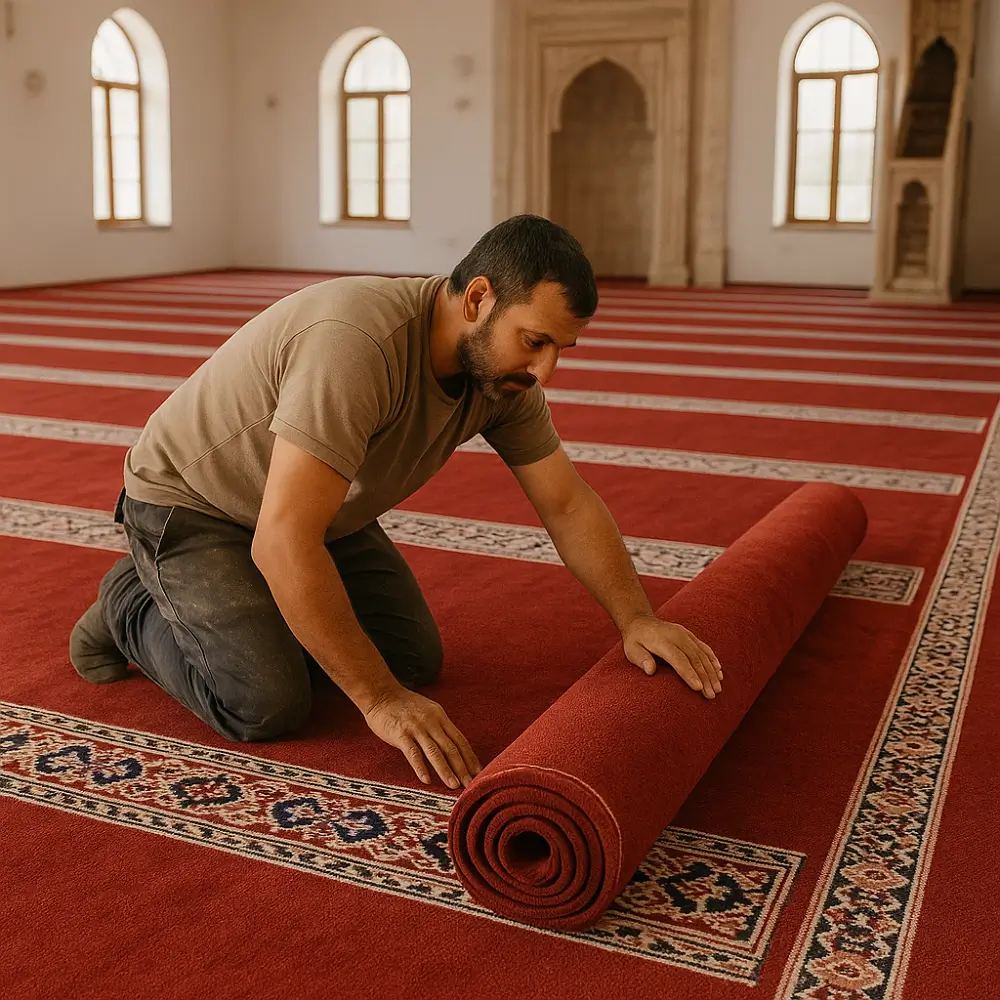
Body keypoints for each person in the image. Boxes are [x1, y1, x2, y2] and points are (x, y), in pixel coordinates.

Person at [69, 214, 723, 791]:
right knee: (265, 703)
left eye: (561, 349)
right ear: (477, 298)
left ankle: (235, 598)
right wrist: (378, 700)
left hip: (313, 508)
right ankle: (129, 598)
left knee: (411, 660)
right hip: (194, 503)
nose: (546, 372)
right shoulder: (358, 344)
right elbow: (282, 540)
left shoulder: (501, 380)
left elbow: (568, 504)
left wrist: (637, 618)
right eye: (535, 341)